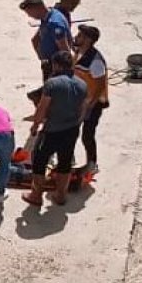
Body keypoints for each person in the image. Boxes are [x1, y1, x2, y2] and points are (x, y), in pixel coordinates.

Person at [24, 51, 87, 207]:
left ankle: (36, 195)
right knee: (65, 162)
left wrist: (35, 125)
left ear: (57, 65)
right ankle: (60, 196)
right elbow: (83, 109)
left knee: (39, 160)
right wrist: (74, 124)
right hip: (71, 130)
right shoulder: (82, 84)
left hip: (52, 131)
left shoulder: (52, 83)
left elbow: (42, 108)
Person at [74, 25, 109, 175]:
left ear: (88, 40)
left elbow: (100, 85)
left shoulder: (95, 61)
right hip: (80, 100)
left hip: (93, 104)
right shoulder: (78, 53)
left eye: (80, 35)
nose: (76, 37)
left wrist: (90, 106)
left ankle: (92, 164)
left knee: (87, 134)